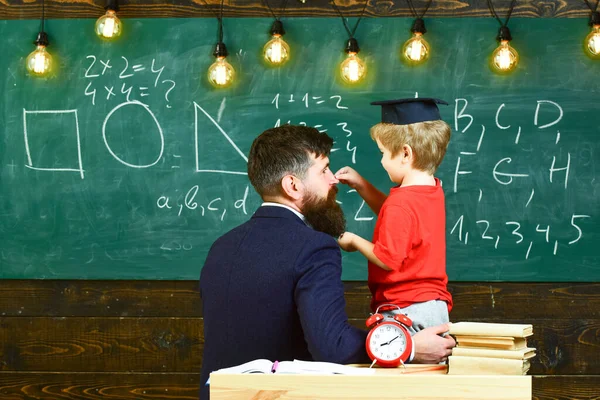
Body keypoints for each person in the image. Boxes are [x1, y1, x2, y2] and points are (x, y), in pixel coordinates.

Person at [199, 125, 455, 399]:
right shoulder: (314, 247)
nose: (333, 179)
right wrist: (409, 346)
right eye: (323, 170)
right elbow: (332, 346)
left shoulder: (220, 247)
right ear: (293, 185)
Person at [336, 98, 453, 333]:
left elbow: (388, 258)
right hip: (434, 308)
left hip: (405, 309)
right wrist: (361, 185)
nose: (381, 161)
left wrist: (354, 240)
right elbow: (395, 218)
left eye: (383, 153)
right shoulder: (432, 190)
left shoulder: (400, 203)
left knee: (399, 369)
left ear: (405, 154)